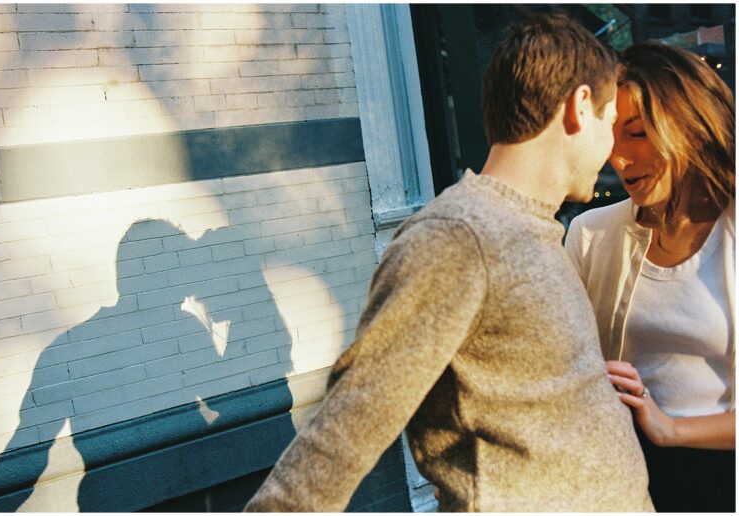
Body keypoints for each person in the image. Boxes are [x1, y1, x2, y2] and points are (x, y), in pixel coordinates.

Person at [245, 14, 653, 512]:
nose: (613, 151)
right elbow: (349, 423)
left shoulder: (532, 229)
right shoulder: (459, 237)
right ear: (580, 107)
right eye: (612, 124)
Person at [565, 43, 735, 512]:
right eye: (610, 137)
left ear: (694, 129)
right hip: (613, 475)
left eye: (636, 133)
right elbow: (558, 368)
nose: (618, 159)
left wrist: (670, 429)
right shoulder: (589, 234)